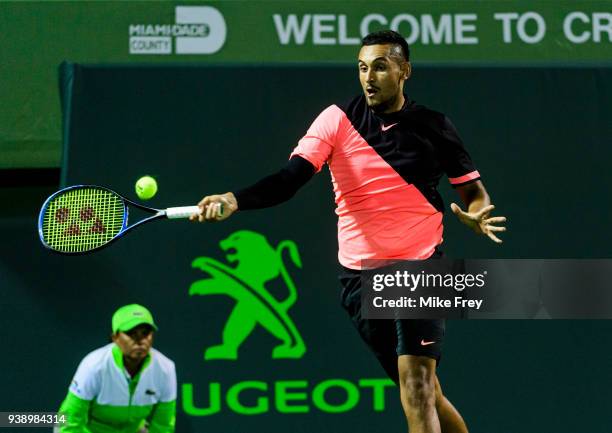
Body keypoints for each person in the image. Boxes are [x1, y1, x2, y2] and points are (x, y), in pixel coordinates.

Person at [190, 30, 506, 433]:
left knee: (417, 385)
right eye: (362, 68)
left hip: (420, 265)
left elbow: (473, 191)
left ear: (404, 70)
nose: (368, 76)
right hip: (360, 277)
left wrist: (476, 213)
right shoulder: (336, 120)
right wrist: (235, 199)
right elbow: (290, 178)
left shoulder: (434, 126)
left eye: (380, 66)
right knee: (424, 393)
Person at [57, 304, 176, 433]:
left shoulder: (166, 368)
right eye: (131, 333)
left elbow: (163, 426)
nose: (140, 340)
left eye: (145, 333)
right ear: (115, 338)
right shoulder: (94, 366)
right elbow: (69, 420)